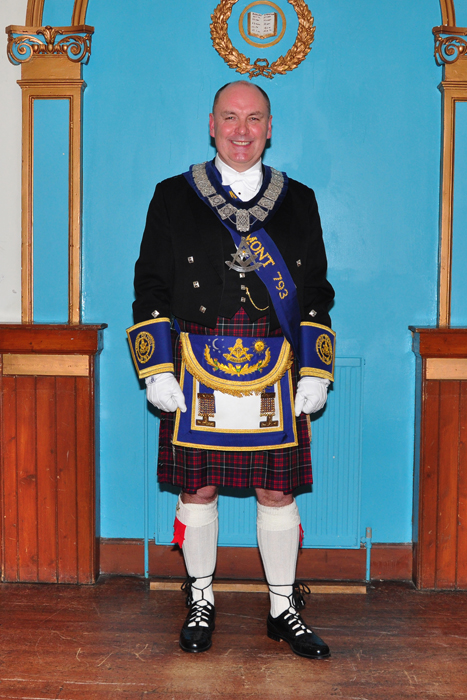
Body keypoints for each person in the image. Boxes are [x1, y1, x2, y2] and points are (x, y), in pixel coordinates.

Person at [127, 81, 335, 659]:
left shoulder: (299, 199)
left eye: (254, 118)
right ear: (211, 124)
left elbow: (315, 290)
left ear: (269, 128)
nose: (242, 130)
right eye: (230, 118)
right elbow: (151, 285)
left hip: (275, 359)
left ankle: (283, 608)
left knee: (277, 487)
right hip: (196, 359)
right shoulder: (173, 195)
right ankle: (200, 599)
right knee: (197, 486)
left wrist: (315, 370)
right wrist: (157, 369)